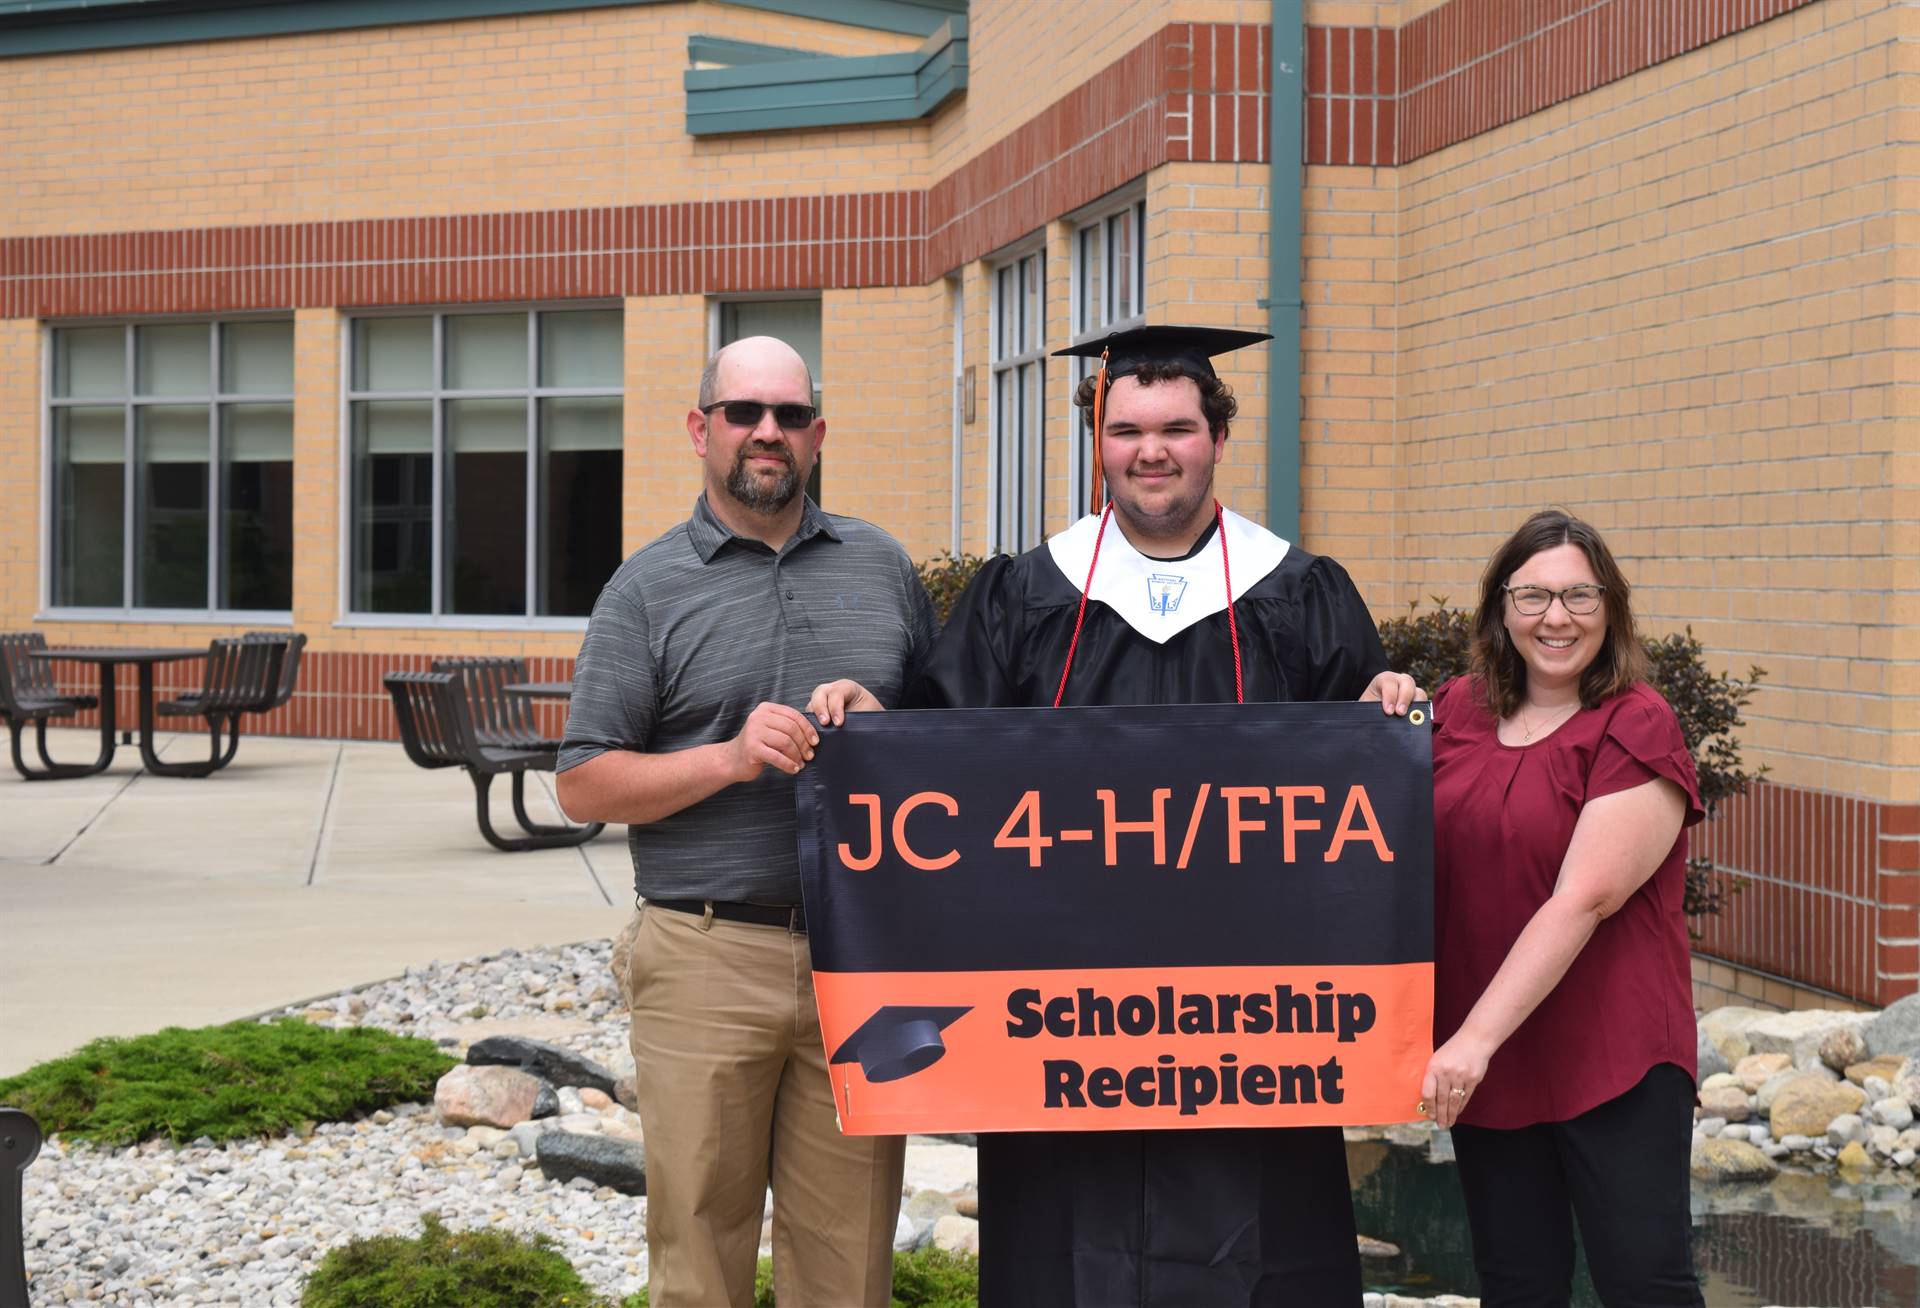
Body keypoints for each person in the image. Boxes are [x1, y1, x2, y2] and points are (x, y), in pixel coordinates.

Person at [814, 324, 1421, 1305]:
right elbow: (941, 759)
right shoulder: (1025, 594)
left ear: (1218, 437)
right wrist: (869, 729)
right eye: (1127, 428)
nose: (1151, 450)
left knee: (1260, 1233)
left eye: (1177, 428)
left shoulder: (1300, 593)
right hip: (1063, 1027)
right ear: (1096, 441)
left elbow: (1362, 783)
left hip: (1245, 1028)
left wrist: (1389, 705)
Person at [555, 335, 937, 1307]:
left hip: (863, 958)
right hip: (704, 953)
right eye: (744, 413)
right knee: (698, 1259)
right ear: (701, 429)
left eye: (790, 415)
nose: (768, 432)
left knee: (849, 1266)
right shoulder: (646, 591)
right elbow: (583, 785)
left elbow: (953, 744)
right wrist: (729, 757)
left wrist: (891, 731)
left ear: (817, 434)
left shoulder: (882, 566)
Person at [1421, 508, 1705, 1307]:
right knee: (1516, 1285)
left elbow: (1584, 898)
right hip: (1496, 1060)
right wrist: (1382, 707)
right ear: (1500, 606)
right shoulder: (1456, 711)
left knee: (1644, 1282)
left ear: (1610, 608)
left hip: (1611, 1057)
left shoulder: (1634, 723)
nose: (1556, 619)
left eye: (1580, 597)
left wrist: (1470, 1041)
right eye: (1533, 596)